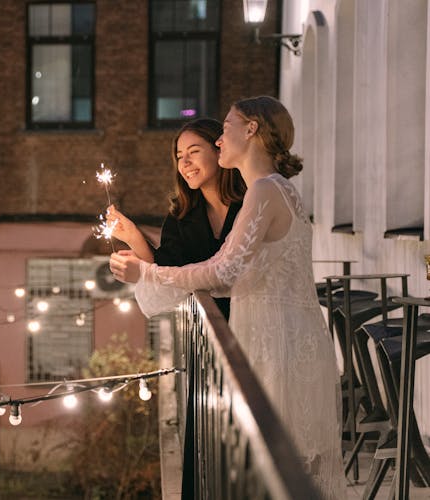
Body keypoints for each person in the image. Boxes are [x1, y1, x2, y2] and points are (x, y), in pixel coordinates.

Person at [110, 96, 346, 498]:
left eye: (225, 129)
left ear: (251, 129)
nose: (221, 140)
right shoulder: (274, 189)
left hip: (277, 343)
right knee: (277, 469)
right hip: (280, 337)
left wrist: (145, 271)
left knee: (273, 470)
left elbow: (222, 273)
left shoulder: (265, 191)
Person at [106, 117, 246, 320]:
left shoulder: (250, 203)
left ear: (220, 150)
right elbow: (168, 270)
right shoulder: (182, 216)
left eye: (194, 151)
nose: (185, 163)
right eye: (180, 156)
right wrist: (133, 238)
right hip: (213, 334)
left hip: (253, 318)